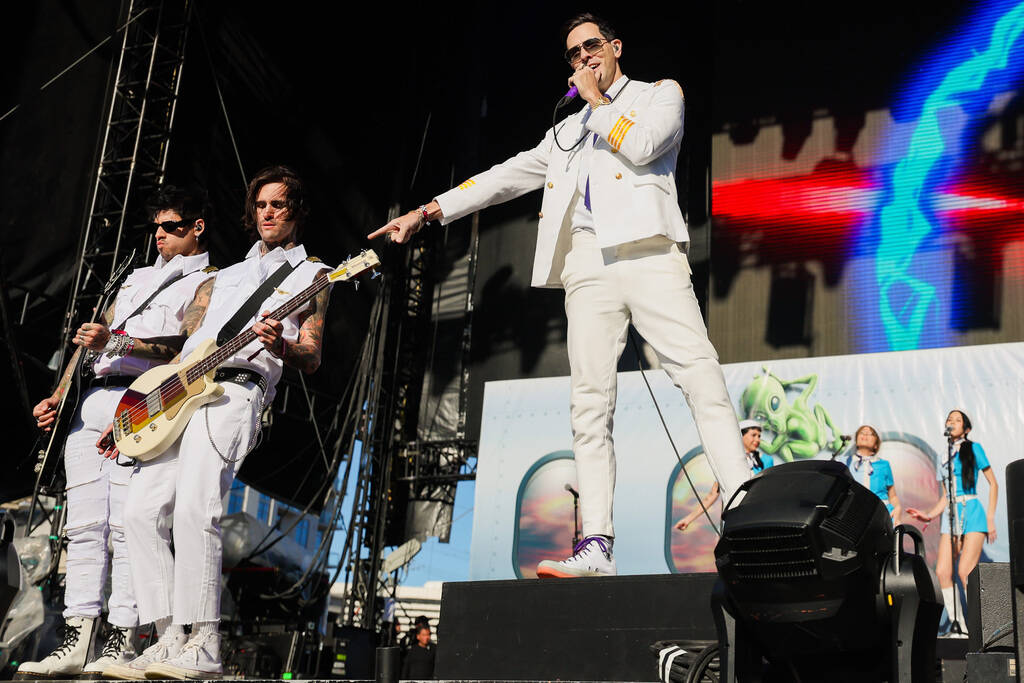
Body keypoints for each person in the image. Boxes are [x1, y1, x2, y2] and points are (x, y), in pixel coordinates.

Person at [368, 12, 749, 578]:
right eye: (573, 55)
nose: (582, 59)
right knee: (589, 406)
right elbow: (502, 176)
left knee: (700, 375)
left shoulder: (658, 94)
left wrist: (597, 103)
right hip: (587, 266)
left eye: (591, 47)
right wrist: (428, 213)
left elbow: (644, 146)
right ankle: (597, 543)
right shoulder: (565, 131)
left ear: (616, 46)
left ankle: (746, 514)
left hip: (648, 253)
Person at [107, 166, 330, 679]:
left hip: (236, 392)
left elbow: (312, 356)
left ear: (296, 210)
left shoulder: (312, 274)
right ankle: (166, 638)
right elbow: (183, 351)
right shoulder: (220, 277)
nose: (269, 213)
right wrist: (135, 411)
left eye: (279, 204)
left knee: (194, 510)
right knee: (139, 514)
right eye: (261, 205)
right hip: (178, 395)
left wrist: (281, 344)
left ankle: (205, 640)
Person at [17, 186, 217, 679]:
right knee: (84, 526)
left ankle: (122, 638)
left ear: (197, 228)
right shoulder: (134, 278)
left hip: (147, 399)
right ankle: (77, 635)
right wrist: (61, 393)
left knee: (131, 524)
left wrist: (120, 339)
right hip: (93, 397)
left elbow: (188, 347)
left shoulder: (209, 281)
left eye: (171, 226)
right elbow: (93, 340)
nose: (160, 235)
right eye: (157, 226)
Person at [906, 410, 998, 637]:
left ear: (966, 428)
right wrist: (929, 515)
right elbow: (945, 496)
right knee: (942, 571)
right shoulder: (943, 455)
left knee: (966, 571)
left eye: (957, 420)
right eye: (949, 420)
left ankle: (981, 629)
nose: (952, 423)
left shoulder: (974, 448)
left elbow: (993, 483)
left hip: (973, 511)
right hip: (951, 513)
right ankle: (959, 627)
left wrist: (990, 518)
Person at [674, 419, 771, 532]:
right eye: (753, 435)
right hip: (736, 519)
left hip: (760, 518)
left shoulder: (766, 460)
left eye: (759, 436)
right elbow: (712, 494)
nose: (757, 440)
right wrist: (688, 519)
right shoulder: (729, 462)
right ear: (740, 436)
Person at [843, 425, 902, 525]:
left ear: (876, 445)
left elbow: (893, 496)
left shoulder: (884, 465)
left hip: (881, 512)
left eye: (871, 433)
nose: (865, 434)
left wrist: (898, 509)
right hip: (853, 513)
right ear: (856, 441)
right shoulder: (845, 461)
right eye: (862, 432)